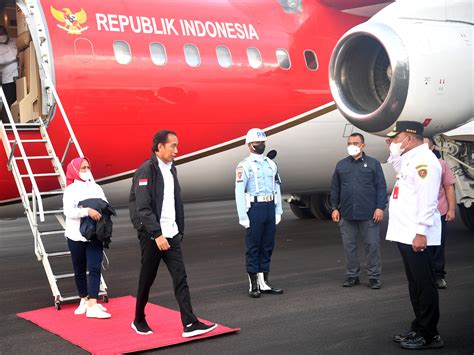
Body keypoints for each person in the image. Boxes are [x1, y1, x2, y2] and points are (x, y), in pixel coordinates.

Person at [129, 130, 217, 337]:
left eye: (177, 146)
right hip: (153, 236)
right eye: (173, 146)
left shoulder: (171, 169)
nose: (177, 150)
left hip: (172, 234)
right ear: (159, 147)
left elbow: (174, 202)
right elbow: (143, 208)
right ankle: (138, 319)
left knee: (180, 278)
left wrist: (179, 230)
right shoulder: (145, 171)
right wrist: (157, 234)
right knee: (147, 278)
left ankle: (190, 323)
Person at [385, 121, 444, 350]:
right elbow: (400, 170)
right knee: (415, 285)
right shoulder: (411, 159)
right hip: (406, 233)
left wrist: (421, 233)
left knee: (424, 284)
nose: (394, 143)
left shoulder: (425, 162)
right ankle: (419, 327)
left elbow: (428, 200)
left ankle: (430, 334)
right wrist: (393, 151)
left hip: (417, 235)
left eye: (397, 139)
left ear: (408, 139)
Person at [330, 133, 387, 289]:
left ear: (363, 146)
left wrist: (380, 208)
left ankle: (374, 277)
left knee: (372, 246)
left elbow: (381, 187)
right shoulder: (341, 165)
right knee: (349, 247)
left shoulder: (373, 164)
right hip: (347, 214)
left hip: (369, 214)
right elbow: (335, 188)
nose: (352, 145)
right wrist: (334, 208)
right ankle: (352, 276)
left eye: (355, 142)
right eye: (349, 143)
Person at [235, 128, 283, 298]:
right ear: (249, 145)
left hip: (270, 207)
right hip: (254, 209)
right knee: (254, 247)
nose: (261, 145)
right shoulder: (244, 166)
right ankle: (253, 285)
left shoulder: (271, 164)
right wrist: (242, 215)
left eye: (263, 142)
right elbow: (239, 191)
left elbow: (277, 186)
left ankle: (264, 283)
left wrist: (278, 210)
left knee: (267, 246)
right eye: (257, 143)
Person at [63, 157, 111, 319]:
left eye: (88, 167)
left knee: (95, 267)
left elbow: (105, 203)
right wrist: (87, 211)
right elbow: (68, 212)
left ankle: (93, 304)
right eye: (83, 168)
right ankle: (84, 298)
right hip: (75, 235)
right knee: (79, 268)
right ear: (75, 170)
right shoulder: (70, 190)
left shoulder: (96, 187)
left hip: (94, 234)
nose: (86, 170)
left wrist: (97, 209)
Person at [424, 137, 456, 289]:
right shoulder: (412, 165)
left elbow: (449, 187)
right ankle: (425, 276)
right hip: (420, 214)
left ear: (432, 148)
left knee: (438, 246)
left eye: (426, 145)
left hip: (439, 212)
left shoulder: (441, 164)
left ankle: (438, 276)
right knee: (422, 246)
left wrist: (451, 209)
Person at [0, 25, 18, 123]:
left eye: (2, 33)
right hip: (7, 79)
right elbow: (1, 60)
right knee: (8, 101)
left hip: (19, 76)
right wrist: (14, 56)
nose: (1, 35)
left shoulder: (15, 41)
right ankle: (5, 123)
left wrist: (10, 57)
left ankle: (16, 121)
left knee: (18, 100)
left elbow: (19, 51)